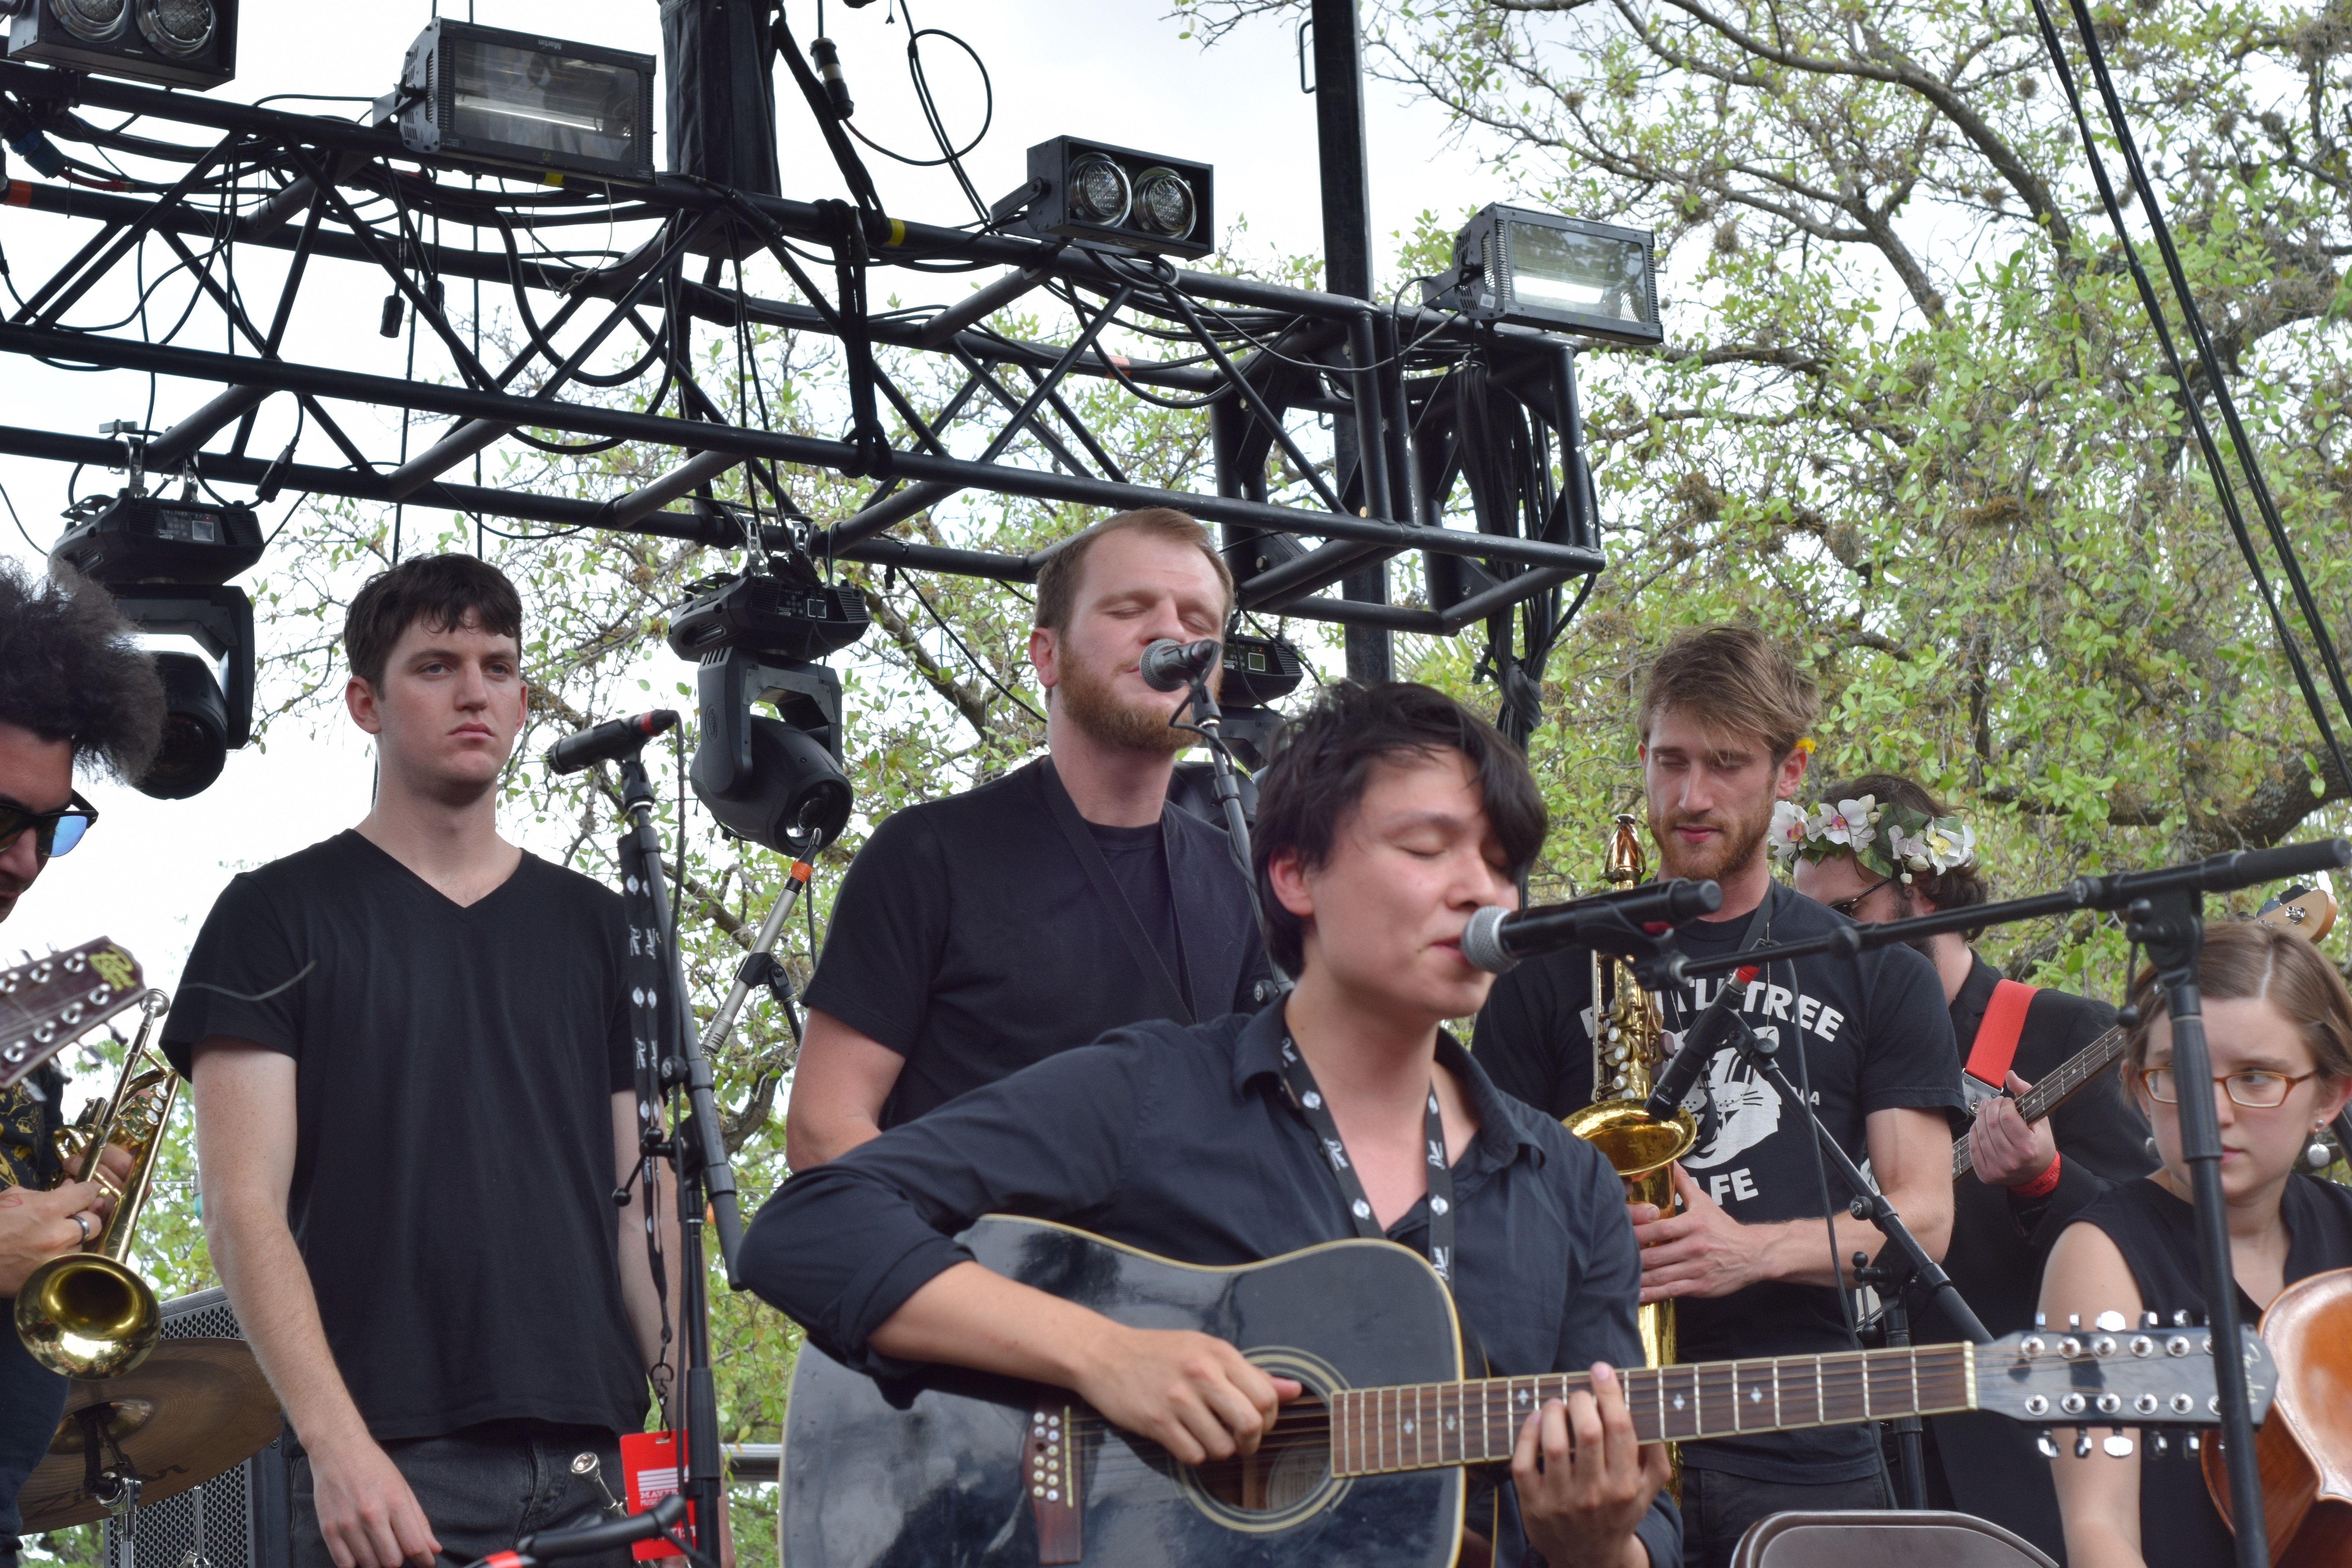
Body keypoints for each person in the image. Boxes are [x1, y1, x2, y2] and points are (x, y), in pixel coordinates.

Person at [743, 681, 1682, 1568]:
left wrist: (1598, 1547)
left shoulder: (1572, 1185)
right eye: (1429, 847)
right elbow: (811, 1224)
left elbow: (1650, 1526)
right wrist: (1104, 1354)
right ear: (1295, 874)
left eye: (1502, 862)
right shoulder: (1152, 1089)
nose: (1481, 888)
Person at [164, 555, 673, 1568]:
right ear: (367, 702)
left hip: (598, 1460)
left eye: (499, 666)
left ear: (523, 700)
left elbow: (644, 1203)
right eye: (437, 665)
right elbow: (240, 1208)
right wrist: (335, 1444)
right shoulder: (273, 915)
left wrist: (684, 1457)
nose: (475, 691)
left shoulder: (604, 924)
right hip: (386, 1466)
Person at [1472, 626, 1962, 1568]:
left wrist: (1748, 1252)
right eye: (1671, 760)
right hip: (1590, 1443)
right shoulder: (1541, 969)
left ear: (1790, 770)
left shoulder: (1877, 973)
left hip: (1804, 1441)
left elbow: (1926, 1220)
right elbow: (1482, 1215)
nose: (1692, 797)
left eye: (1728, 764)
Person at [784, 506, 1274, 1169]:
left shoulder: (1242, 875)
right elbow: (824, 1130)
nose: (1169, 632)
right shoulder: (928, 855)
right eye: (1129, 610)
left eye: (1198, 622)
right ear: (1047, 655)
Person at [1785, 771, 2155, 1558]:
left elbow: (2151, 1246)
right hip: (1855, 1473)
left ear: (1922, 891)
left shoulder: (2063, 1032)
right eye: (1806, 920)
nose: (1821, 943)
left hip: (2018, 1475)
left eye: (1845, 915)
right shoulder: (1822, 1057)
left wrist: (2044, 1180)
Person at [2040, 920, 2352, 1568]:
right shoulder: (2101, 1255)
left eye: (2257, 1077)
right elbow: (2100, 1528)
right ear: (2139, 1086)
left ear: (2328, 1096)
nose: (2215, 1113)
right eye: (2179, 1074)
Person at [0, 559, 161, 1568]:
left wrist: (74, 1212)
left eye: (52, 825)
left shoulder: (25, 1047)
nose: (24, 860)